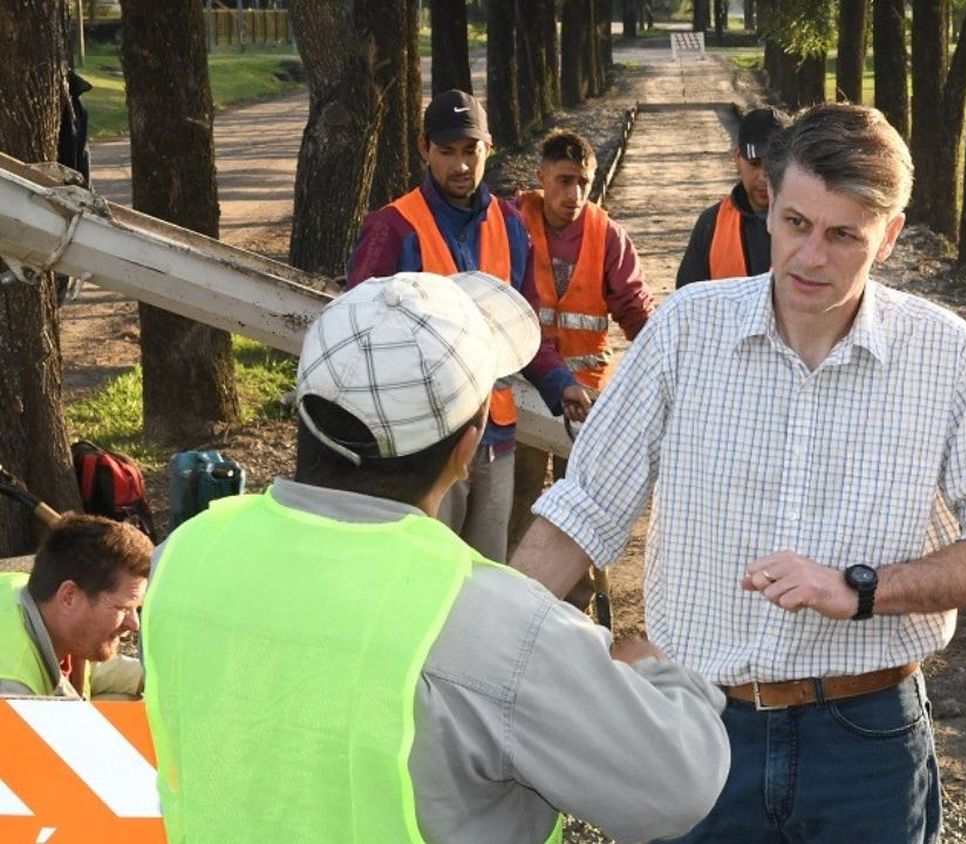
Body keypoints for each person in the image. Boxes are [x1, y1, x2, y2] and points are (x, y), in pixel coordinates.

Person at [511, 104, 966, 842]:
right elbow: (583, 511)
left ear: (888, 237)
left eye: (843, 235)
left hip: (868, 741)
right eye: (797, 223)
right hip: (699, 725)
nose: (810, 257)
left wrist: (862, 590)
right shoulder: (684, 331)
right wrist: (488, 649)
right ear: (768, 203)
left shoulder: (948, 357)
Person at [142, 272, 730, 843]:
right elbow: (679, 785)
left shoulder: (183, 559)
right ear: (468, 448)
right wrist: (654, 671)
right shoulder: (492, 625)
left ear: (306, 413)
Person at [347, 89, 589, 564]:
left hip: (494, 437)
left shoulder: (511, 225)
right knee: (424, 573)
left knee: (484, 574)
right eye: (447, 151)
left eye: (470, 150)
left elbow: (524, 327)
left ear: (488, 147)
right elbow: (359, 336)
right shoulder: (393, 228)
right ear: (424, 149)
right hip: (423, 444)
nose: (461, 165)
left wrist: (561, 385)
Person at [509, 128, 656, 549]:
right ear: (542, 176)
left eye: (584, 183)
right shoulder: (512, 222)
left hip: (588, 401)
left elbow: (634, 306)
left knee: (581, 506)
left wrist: (664, 357)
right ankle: (519, 595)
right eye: (564, 180)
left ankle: (577, 601)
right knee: (521, 500)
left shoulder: (606, 234)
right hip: (523, 391)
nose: (575, 194)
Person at [1, 514, 151, 699]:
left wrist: (153, 678)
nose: (134, 624)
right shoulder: (12, 691)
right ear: (69, 596)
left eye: (136, 608)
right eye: (123, 608)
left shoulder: (29, 592)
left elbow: (93, 670)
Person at [675, 106, 792, 288]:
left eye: (774, 165)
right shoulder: (711, 224)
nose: (764, 176)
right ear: (737, 158)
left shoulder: (814, 224)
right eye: (754, 164)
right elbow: (687, 298)